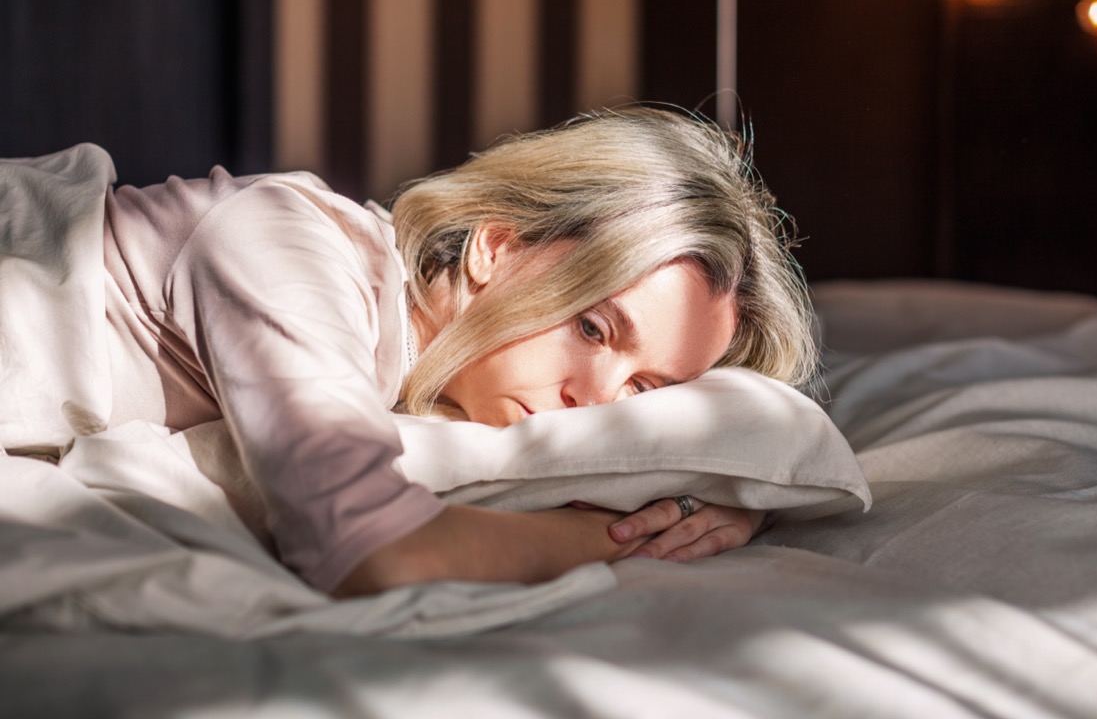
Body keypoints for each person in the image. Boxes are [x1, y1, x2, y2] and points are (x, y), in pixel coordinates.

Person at [1, 106, 817, 598]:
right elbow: (375, 555)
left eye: (645, 390)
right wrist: (649, 531)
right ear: (495, 247)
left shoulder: (411, 376)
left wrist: (717, 491)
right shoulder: (289, 245)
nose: (596, 404)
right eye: (593, 328)